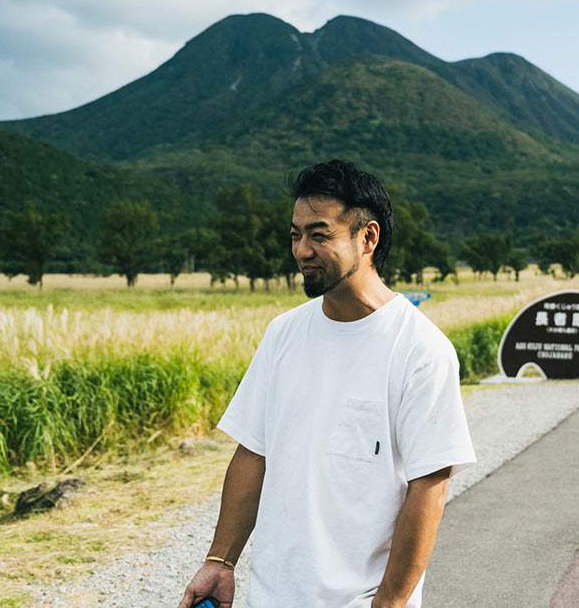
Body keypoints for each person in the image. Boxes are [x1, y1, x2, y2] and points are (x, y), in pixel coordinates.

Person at [176, 160, 475, 608]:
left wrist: (390, 604)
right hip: (272, 597)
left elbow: (428, 488)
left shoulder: (419, 350)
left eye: (320, 234)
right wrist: (220, 560)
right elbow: (253, 453)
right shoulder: (283, 334)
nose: (301, 250)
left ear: (367, 238)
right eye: (295, 234)